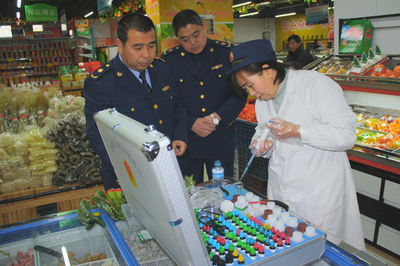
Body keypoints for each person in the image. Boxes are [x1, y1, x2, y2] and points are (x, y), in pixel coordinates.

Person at [227, 39, 365, 251]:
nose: (251, 93)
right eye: (245, 88)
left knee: (324, 252)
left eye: (250, 85)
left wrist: (299, 131)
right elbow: (264, 130)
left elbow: (346, 135)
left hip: (319, 196)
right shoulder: (264, 100)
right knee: (289, 250)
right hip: (281, 192)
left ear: (268, 71)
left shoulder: (315, 85)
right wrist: (262, 145)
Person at [84, 13, 188, 191]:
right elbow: (98, 135)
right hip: (130, 176)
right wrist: (133, 168)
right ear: (120, 45)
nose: (146, 55)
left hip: (168, 167)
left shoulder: (162, 70)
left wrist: (180, 135)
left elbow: (177, 105)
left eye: (151, 46)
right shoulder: (101, 83)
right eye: (137, 47)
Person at [161, 9, 247, 184]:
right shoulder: (169, 61)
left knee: (224, 190)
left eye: (196, 34)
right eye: (185, 39)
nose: (193, 42)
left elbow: (240, 93)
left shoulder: (227, 54)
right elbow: (167, 102)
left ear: (204, 27)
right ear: (178, 38)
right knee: (189, 193)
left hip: (220, 137)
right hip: (187, 141)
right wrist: (190, 122)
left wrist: (216, 117)